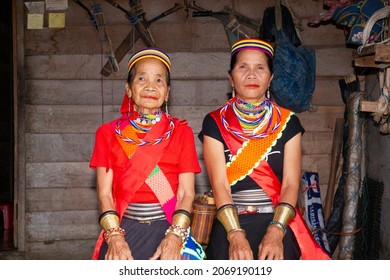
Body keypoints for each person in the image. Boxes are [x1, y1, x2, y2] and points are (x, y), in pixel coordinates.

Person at [198, 38, 330, 260]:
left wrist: (277, 230)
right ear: (231, 77)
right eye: (243, 67)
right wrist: (235, 235)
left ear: (271, 78)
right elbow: (219, 184)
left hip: (278, 218)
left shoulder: (288, 123)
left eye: (260, 67)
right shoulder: (214, 122)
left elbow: (290, 184)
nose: (252, 74)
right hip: (230, 219)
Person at [90, 47, 204, 260]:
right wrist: (115, 238)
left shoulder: (181, 132)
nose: (151, 86)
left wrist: (175, 236)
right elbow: (105, 194)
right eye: (142, 79)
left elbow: (187, 193)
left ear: (167, 92)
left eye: (159, 80)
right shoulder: (107, 133)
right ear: (129, 89)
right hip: (122, 229)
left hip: (170, 226)